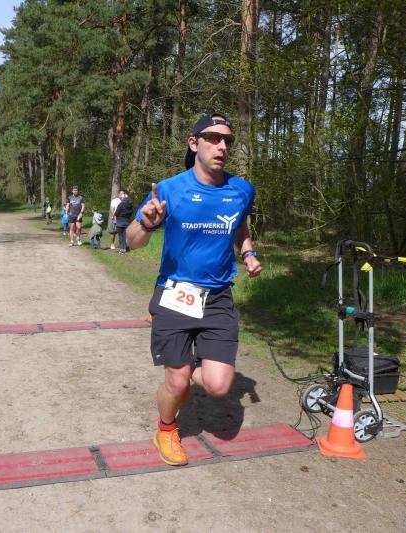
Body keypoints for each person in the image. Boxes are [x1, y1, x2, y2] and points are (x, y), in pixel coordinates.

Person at [126, 113, 262, 467]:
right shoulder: (169, 189)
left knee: (218, 385)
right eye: (214, 138)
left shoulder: (241, 189)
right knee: (178, 382)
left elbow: (239, 224)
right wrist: (146, 224)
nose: (222, 146)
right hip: (175, 294)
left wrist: (248, 252)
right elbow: (132, 242)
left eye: (227, 140)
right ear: (193, 143)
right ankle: (167, 428)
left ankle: (191, 362)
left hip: (218, 297)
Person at [114, 190, 133, 255]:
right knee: (125, 236)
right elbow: (131, 213)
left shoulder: (120, 204)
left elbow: (116, 213)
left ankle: (121, 249)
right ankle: (124, 249)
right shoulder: (130, 205)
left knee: (120, 236)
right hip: (127, 222)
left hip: (120, 222)